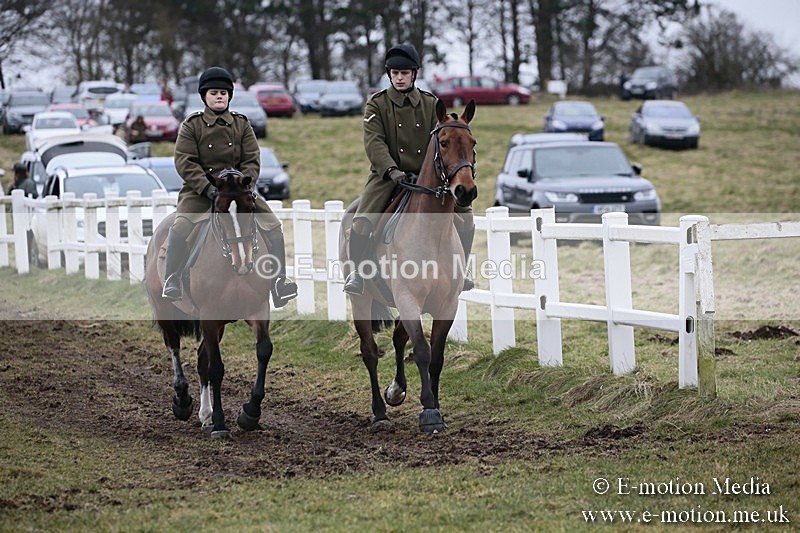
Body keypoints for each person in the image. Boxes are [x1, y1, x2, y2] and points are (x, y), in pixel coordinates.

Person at [343, 44, 475, 295]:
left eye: (404, 73)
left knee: (466, 217)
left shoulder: (430, 103)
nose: (399, 78)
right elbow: (374, 142)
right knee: (361, 222)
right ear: (389, 75)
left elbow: (442, 139)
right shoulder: (377, 104)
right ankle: (358, 274)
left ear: (414, 74)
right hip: (388, 177)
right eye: (394, 73)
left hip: (428, 178)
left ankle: (461, 270)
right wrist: (392, 170)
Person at [162, 66, 297, 307]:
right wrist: (208, 188)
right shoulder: (192, 125)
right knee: (180, 226)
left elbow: (252, 159)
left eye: (224, 92)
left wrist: (244, 186)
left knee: (273, 226)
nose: (219, 96)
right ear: (204, 96)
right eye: (214, 92)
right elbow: (185, 161)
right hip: (201, 192)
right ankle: (172, 279)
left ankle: (279, 282)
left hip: (238, 193)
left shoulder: (241, 124)